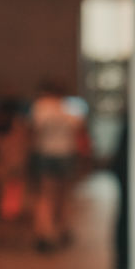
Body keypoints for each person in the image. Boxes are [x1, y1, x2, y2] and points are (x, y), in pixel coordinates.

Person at [28, 79, 84, 252]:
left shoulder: (40, 107)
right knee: (63, 195)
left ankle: (45, 233)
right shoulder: (71, 108)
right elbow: (79, 129)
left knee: (46, 195)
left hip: (45, 153)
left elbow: (33, 131)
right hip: (65, 154)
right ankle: (61, 230)